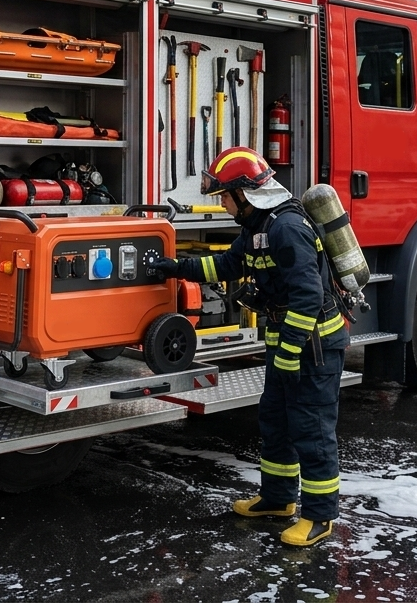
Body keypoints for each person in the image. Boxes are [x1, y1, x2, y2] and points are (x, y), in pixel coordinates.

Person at [149, 147, 347, 547]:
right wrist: (175, 267)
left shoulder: (286, 228)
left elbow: (308, 298)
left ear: (245, 193)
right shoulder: (257, 227)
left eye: (224, 196)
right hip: (288, 344)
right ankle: (277, 500)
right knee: (275, 422)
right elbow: (226, 267)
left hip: (314, 347)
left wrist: (290, 354)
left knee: (311, 429)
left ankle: (320, 517)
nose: (221, 204)